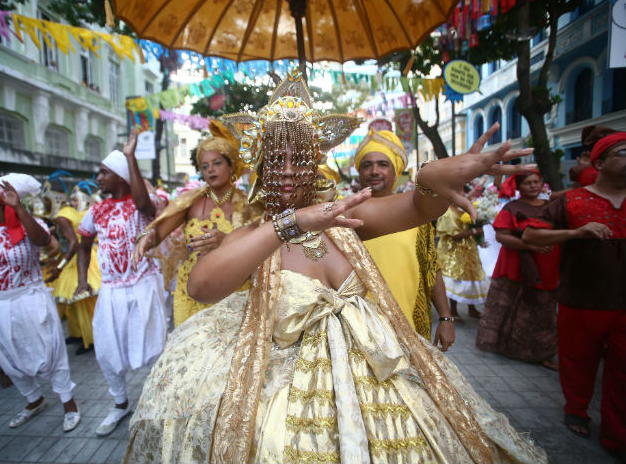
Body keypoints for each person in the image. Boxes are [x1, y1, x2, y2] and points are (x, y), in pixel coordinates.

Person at [125, 71, 546, 464]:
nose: (288, 170)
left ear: (317, 162)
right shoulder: (251, 238)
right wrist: (291, 223)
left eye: (299, 158)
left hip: (380, 384)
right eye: (275, 160)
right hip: (286, 406)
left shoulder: (346, 219)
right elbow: (201, 286)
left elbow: (418, 205)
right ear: (259, 168)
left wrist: (435, 175)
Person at [523, 131, 625, 458]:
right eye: (622, 153)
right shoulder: (571, 201)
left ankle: (616, 435)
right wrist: (576, 233)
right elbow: (530, 235)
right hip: (581, 301)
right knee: (578, 363)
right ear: (600, 162)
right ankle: (577, 409)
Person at [0, 173, 80, 432]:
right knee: (8, 355)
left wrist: (18, 207)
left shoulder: (29, 224)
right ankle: (34, 400)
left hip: (29, 298)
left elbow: (42, 240)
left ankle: (68, 403)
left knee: (51, 351)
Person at [76, 131, 169, 437]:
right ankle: (119, 404)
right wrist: (81, 280)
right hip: (111, 289)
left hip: (142, 283)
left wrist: (131, 157)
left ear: (120, 176)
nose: (98, 177)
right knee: (106, 348)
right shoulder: (96, 210)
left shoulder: (144, 202)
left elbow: (144, 206)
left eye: (104, 172)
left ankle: (160, 402)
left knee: (153, 346)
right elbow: (83, 243)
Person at [133, 120, 259, 326]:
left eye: (217, 163)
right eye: (205, 166)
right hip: (191, 290)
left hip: (234, 292)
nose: (211, 170)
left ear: (231, 165)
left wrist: (226, 242)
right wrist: (146, 239)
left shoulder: (249, 206)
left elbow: (259, 251)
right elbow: (158, 233)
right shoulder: (190, 201)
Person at [355, 129, 454, 349]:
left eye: (383, 164)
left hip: (409, 321)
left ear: (395, 171)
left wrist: (446, 318)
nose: (374, 171)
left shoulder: (417, 216)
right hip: (357, 323)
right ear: (359, 172)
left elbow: (431, 267)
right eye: (367, 165)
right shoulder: (344, 215)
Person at [476, 171, 560, 370]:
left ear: (542, 184)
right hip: (516, 263)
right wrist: (531, 246)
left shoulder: (552, 208)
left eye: (536, 182)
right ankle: (507, 345)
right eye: (528, 183)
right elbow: (502, 236)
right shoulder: (512, 208)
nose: (532, 186)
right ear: (519, 187)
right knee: (510, 305)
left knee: (542, 311)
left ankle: (542, 352)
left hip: (546, 265)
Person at [45, 180, 101, 355]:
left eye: (45, 199)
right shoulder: (70, 213)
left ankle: (90, 339)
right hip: (82, 255)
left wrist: (60, 266)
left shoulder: (63, 215)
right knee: (76, 303)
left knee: (82, 300)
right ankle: (79, 334)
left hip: (79, 257)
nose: (43, 203)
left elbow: (74, 244)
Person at [436, 189, 489, 319]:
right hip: (453, 253)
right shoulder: (447, 213)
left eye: (462, 193)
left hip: (468, 250)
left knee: (471, 279)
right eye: (458, 194)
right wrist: (476, 231)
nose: (462, 196)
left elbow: (470, 227)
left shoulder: (463, 210)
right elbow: (454, 236)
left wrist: (479, 240)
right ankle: (453, 310)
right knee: (456, 280)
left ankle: (472, 308)